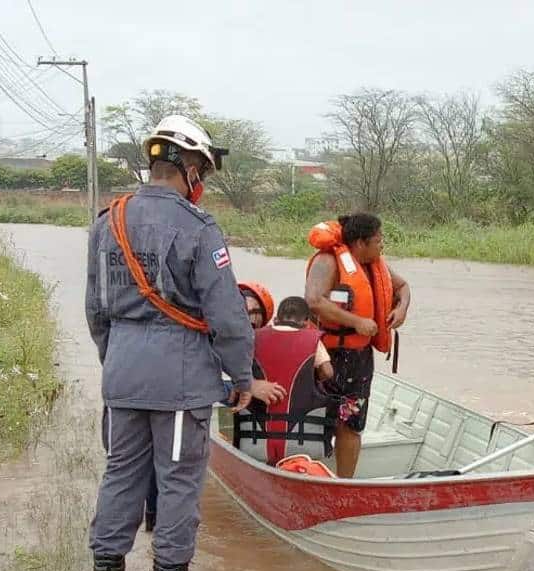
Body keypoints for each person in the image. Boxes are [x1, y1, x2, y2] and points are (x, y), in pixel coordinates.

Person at [86, 115, 268, 571]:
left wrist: (117, 361)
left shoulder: (108, 222)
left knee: (121, 473)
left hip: (122, 372)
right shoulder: (198, 227)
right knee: (179, 482)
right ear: (189, 168)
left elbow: (95, 310)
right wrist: (242, 376)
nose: (201, 181)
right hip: (181, 379)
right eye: (201, 171)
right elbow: (228, 314)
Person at [143, 281, 284, 533]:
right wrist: (244, 388)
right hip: (169, 394)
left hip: (149, 386)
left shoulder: (208, 320)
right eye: (249, 312)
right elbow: (195, 378)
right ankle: (165, 534)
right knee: (174, 465)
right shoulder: (206, 326)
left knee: (154, 461)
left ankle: (155, 525)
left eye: (254, 319)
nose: (249, 319)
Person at [305, 214, 411, 478]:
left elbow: (403, 287)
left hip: (359, 359)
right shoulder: (327, 261)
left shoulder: (375, 264)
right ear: (361, 243)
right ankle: (307, 474)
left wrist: (401, 309)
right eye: (378, 240)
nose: (382, 245)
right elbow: (314, 300)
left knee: (352, 423)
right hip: (325, 355)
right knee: (316, 419)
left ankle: (344, 482)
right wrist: (357, 321)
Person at [235, 296, 337, 464]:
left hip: (255, 442)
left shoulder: (253, 337)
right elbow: (328, 372)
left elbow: (237, 371)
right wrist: (310, 378)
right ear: (306, 323)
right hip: (302, 444)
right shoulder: (312, 340)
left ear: (276, 319)